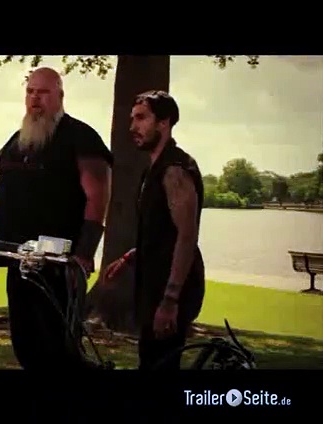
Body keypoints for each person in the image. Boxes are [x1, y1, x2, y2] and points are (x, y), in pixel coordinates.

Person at [0, 67, 113, 371]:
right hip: (20, 261)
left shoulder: (80, 137)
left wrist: (84, 254)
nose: (35, 98)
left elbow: (97, 196)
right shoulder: (17, 141)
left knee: (59, 349)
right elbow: (0, 189)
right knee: (25, 345)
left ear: (60, 96)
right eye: (30, 92)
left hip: (59, 266)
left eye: (43, 92)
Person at [103, 90, 205, 371]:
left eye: (141, 118)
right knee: (149, 360)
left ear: (164, 122)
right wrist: (130, 257)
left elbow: (186, 236)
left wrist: (170, 300)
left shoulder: (175, 171)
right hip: (154, 285)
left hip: (172, 289)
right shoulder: (153, 169)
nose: (132, 127)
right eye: (132, 119)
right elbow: (164, 233)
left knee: (160, 364)